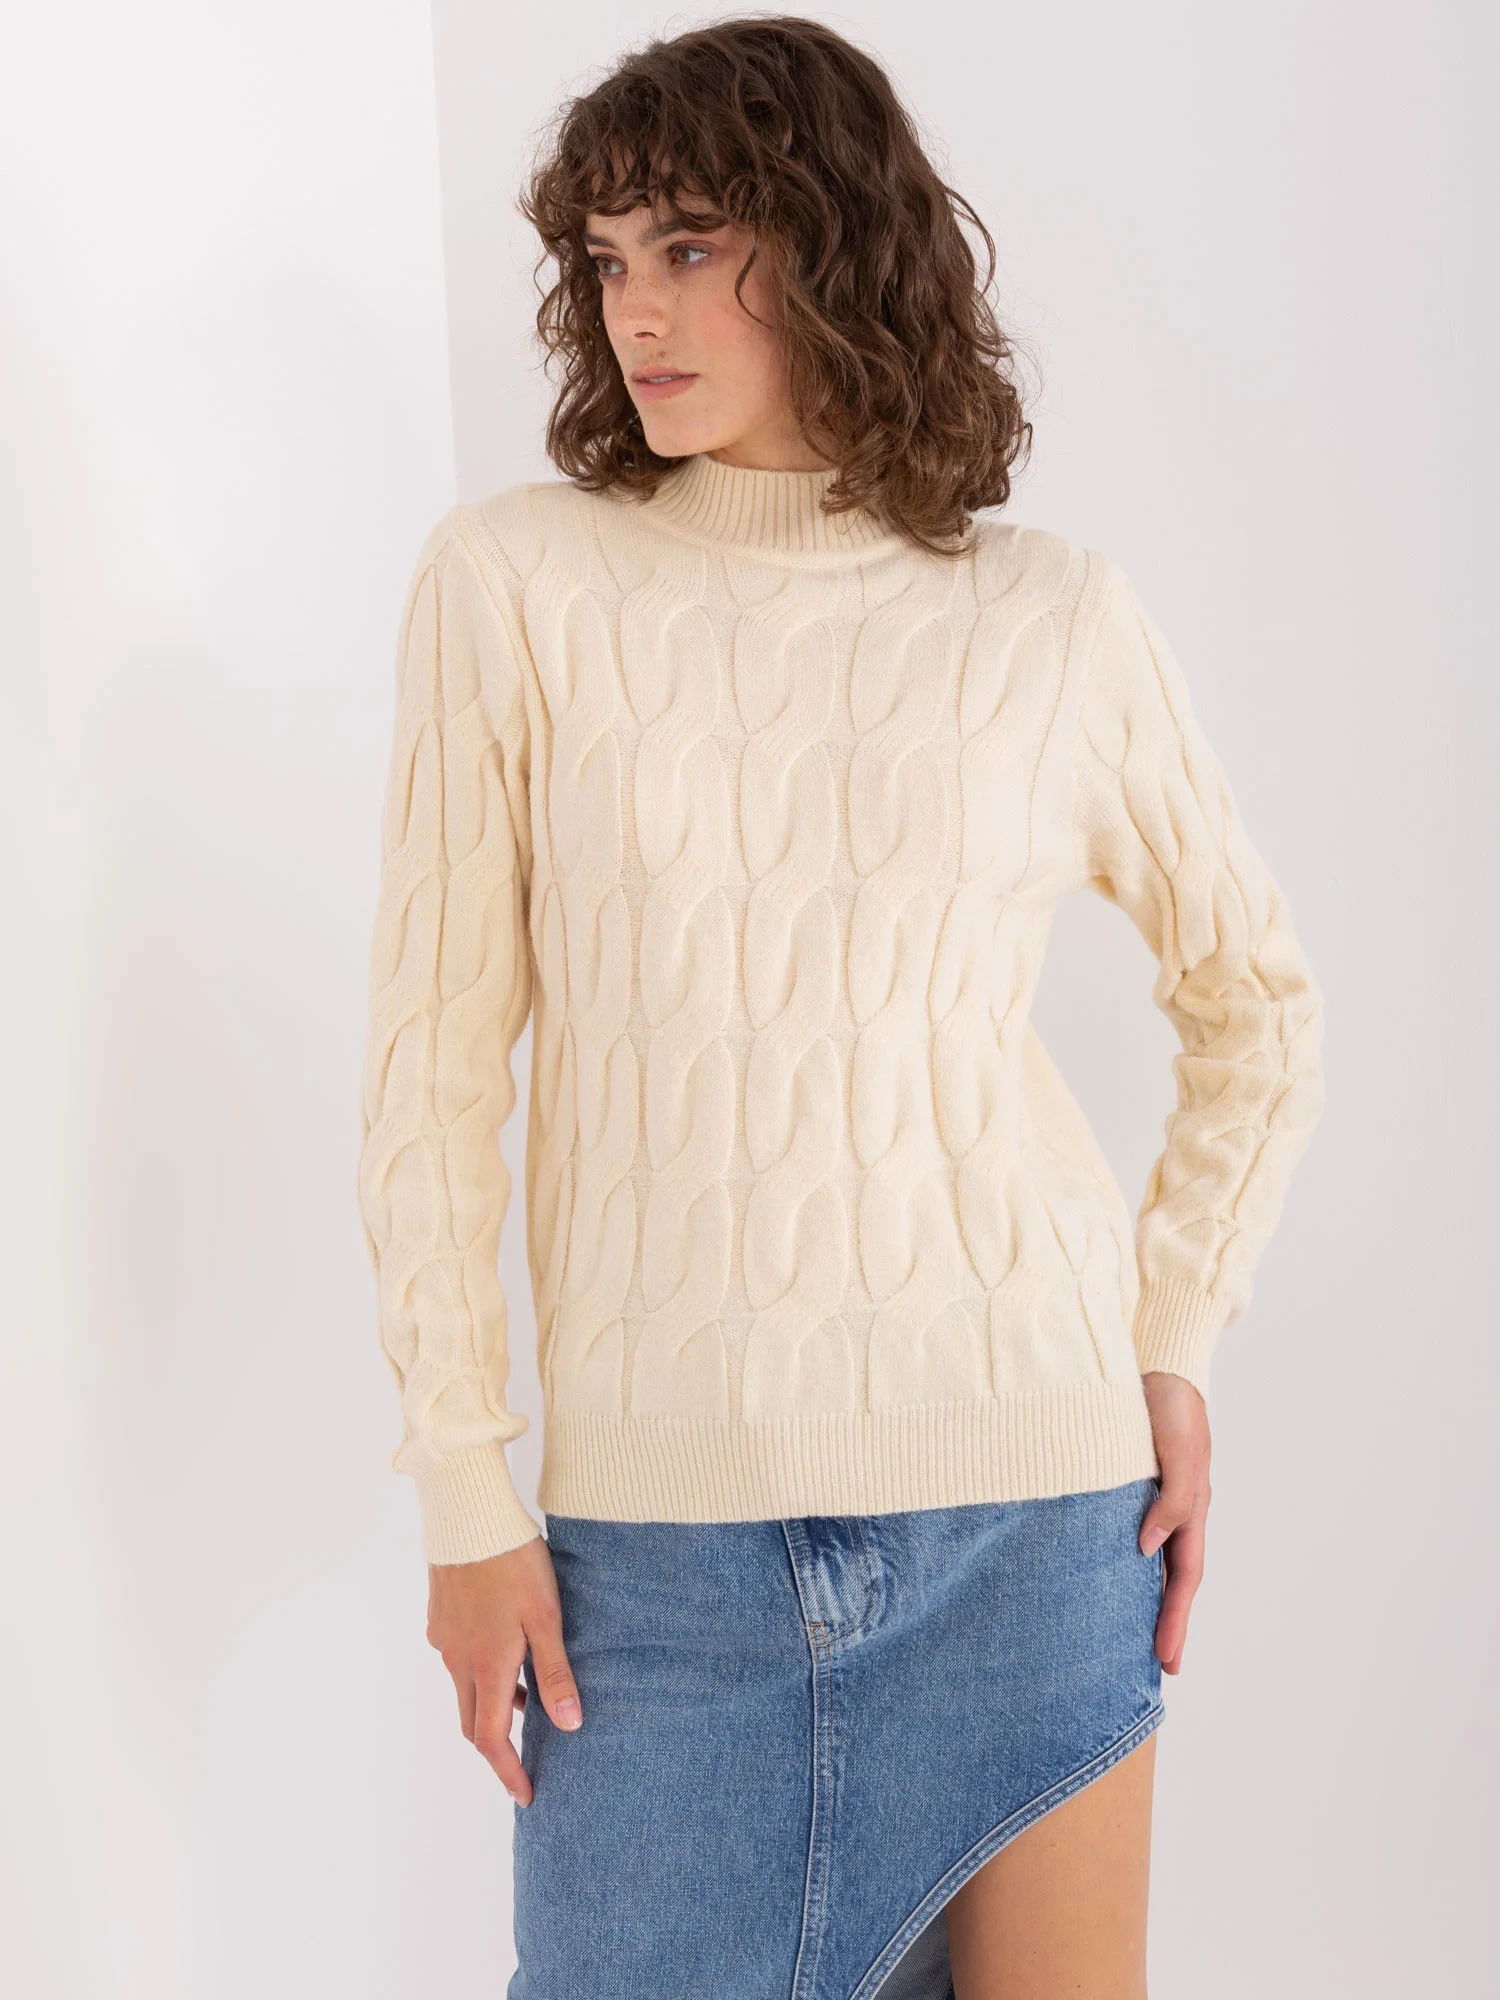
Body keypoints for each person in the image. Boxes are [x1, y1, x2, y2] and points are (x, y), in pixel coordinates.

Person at [355, 17, 1325, 1999]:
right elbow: (431, 1073)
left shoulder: (1051, 617)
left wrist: (1174, 1336)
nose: (635, 308)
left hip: (1033, 1517)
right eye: (606, 259)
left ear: (838, 243)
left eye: (691, 246)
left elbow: (1258, 1002)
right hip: (650, 1573)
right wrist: (464, 1489)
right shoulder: (513, 589)